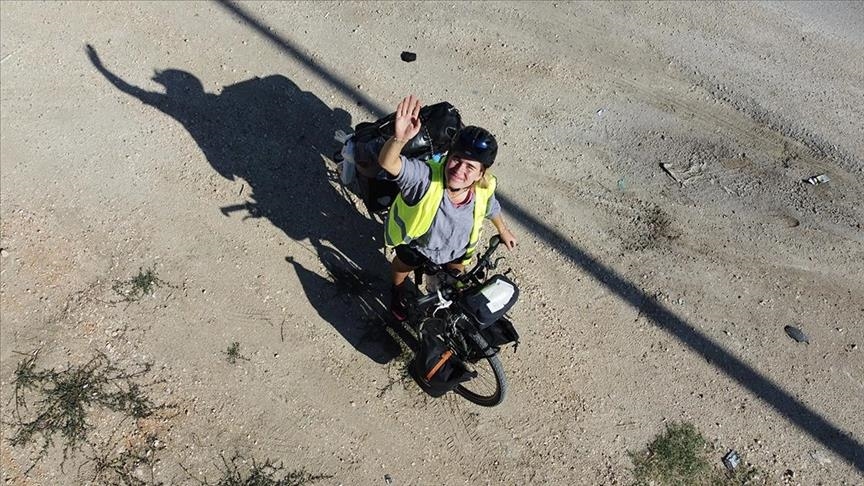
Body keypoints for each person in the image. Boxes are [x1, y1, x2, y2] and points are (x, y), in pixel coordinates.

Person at [378, 95, 517, 320]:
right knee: (402, 267)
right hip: (417, 245)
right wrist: (399, 140)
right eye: (456, 159)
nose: (459, 170)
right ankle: (396, 292)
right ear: (447, 156)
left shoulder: (482, 188)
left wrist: (502, 229)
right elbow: (389, 163)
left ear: (481, 173)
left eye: (470, 167)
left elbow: (491, 206)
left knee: (456, 287)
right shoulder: (425, 178)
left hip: (456, 251)